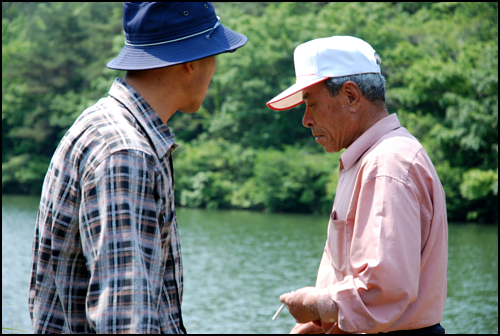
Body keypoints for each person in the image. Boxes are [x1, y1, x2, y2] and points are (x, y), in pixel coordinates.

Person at [28, 2, 247, 333]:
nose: (215, 67)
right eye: (215, 53)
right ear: (191, 61)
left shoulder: (106, 127)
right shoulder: (125, 154)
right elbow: (126, 320)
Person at [267, 36, 448, 334]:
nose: (306, 120)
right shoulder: (373, 158)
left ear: (351, 97)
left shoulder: (386, 164)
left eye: (311, 104)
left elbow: (381, 291)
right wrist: (322, 325)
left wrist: (313, 305)